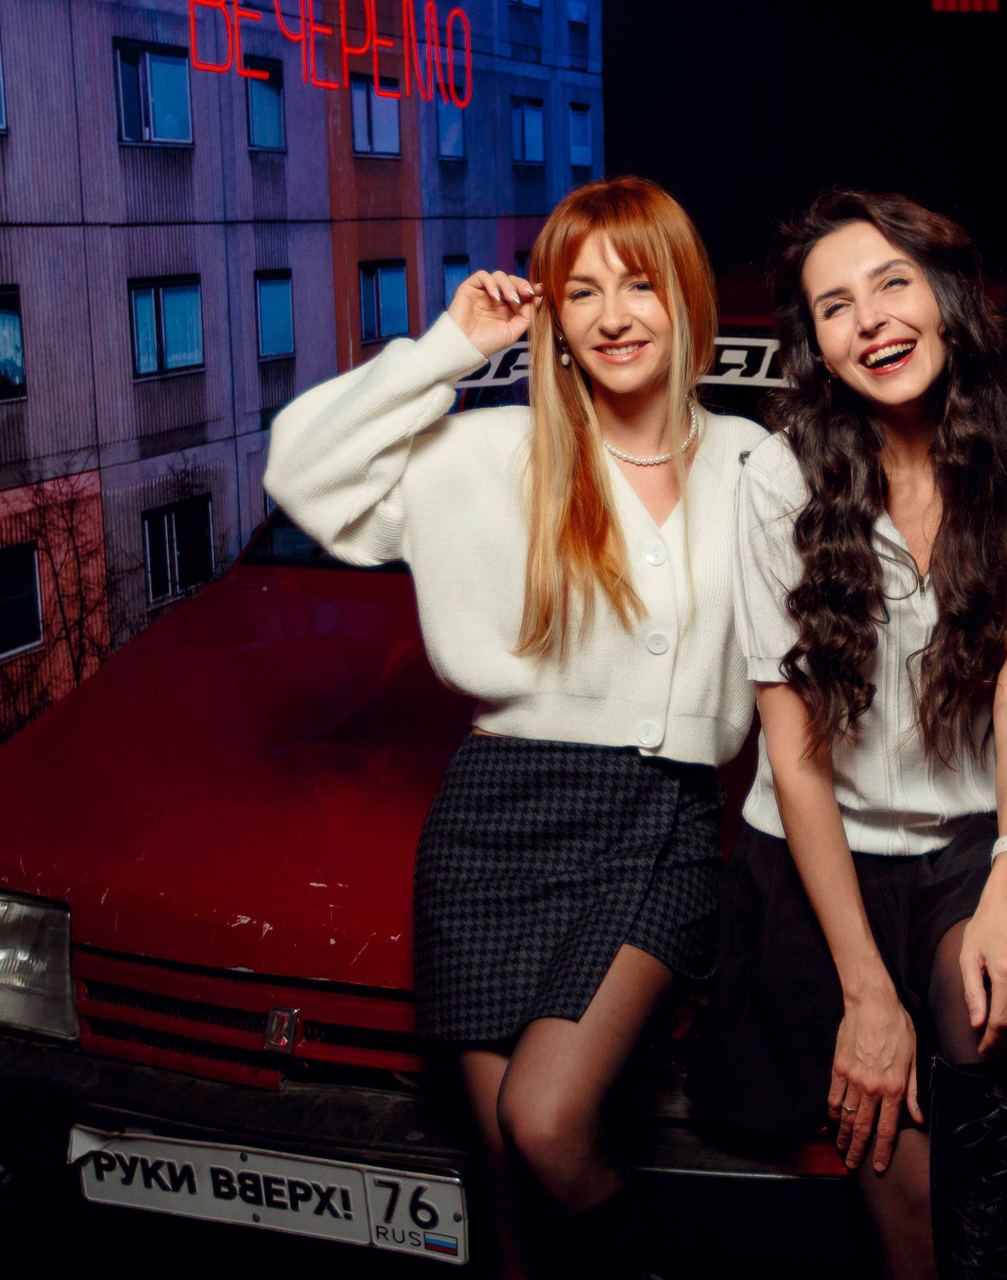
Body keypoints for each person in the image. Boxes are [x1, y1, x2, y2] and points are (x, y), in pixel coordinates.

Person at [263, 176, 765, 1279]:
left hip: (658, 819)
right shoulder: (492, 453)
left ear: (686, 295)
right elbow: (300, 470)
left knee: (546, 1122)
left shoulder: (755, 463)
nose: (613, 315)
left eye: (639, 284)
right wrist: (452, 346)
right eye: (581, 292)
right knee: (506, 1182)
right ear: (555, 320)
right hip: (490, 826)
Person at [690, 190, 1007, 1280]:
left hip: (970, 842)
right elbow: (796, 753)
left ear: (946, 297)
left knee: (992, 1003)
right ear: (818, 347)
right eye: (835, 306)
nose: (869, 318)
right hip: (823, 860)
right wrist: (867, 992)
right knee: (900, 1178)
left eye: (891, 283)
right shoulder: (778, 482)